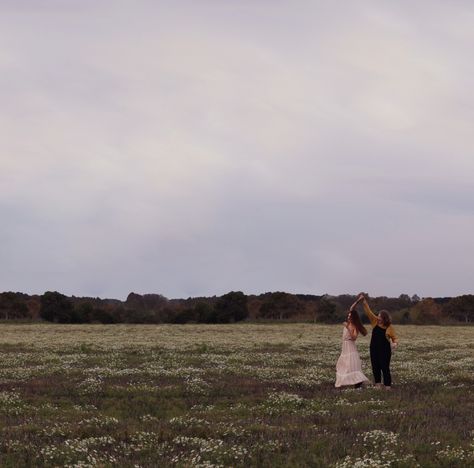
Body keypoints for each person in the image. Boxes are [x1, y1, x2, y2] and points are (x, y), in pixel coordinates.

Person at [360, 294, 398, 390]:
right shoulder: (375, 322)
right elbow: (369, 312)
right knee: (375, 366)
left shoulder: (389, 327)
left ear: (384, 318)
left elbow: (395, 338)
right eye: (378, 316)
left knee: (384, 367)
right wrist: (364, 302)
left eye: (380, 316)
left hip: (385, 351)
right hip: (373, 348)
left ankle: (387, 386)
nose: (378, 317)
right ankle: (377, 384)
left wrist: (394, 343)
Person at [335, 296, 369, 389]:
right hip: (345, 347)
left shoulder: (354, 326)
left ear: (353, 318)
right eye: (348, 316)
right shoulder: (349, 323)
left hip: (351, 347)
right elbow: (352, 308)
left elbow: (354, 338)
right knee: (343, 365)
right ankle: (347, 382)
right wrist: (358, 300)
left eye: (350, 316)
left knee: (351, 366)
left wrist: (348, 328)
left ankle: (358, 384)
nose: (348, 317)